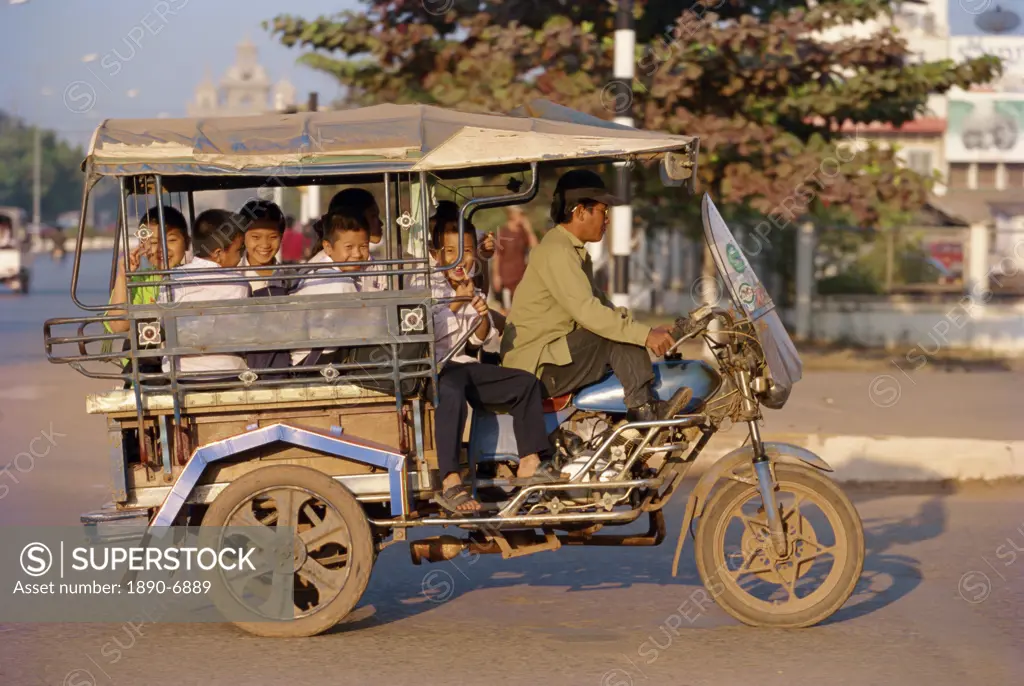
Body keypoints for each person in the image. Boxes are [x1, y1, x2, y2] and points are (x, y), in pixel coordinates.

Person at [500, 169, 691, 422]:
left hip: (554, 357)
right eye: (603, 211)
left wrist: (650, 330)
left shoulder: (573, 251)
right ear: (580, 212)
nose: (607, 220)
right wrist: (643, 335)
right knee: (611, 335)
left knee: (619, 330)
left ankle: (621, 431)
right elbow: (590, 313)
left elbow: (604, 307)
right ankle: (643, 410)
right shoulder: (557, 251)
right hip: (537, 368)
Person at [428, 214, 558, 513]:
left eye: (468, 251)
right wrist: (458, 301)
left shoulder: (474, 287)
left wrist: (482, 315)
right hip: (434, 368)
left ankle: (529, 461)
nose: (460, 259)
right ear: (437, 256)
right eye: (451, 252)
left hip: (463, 365)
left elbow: (477, 342)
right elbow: (428, 334)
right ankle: (449, 480)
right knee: (450, 389)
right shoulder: (431, 288)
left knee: (524, 383)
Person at [164, 209, 249, 378]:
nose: (241, 257)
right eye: (239, 250)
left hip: (177, 372)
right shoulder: (238, 284)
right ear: (218, 254)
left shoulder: (170, 279)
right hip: (226, 371)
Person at [290, 208, 369, 367]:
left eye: (363, 246)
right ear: (328, 247)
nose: (358, 254)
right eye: (349, 247)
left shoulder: (318, 270)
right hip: (317, 360)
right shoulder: (339, 281)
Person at [492, 205, 538, 313]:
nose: (522, 217)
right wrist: (496, 275)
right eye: (520, 215)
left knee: (521, 306)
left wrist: (529, 229)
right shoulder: (503, 232)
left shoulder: (523, 232)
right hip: (506, 275)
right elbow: (497, 256)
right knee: (506, 308)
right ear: (512, 215)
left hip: (520, 274)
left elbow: (536, 247)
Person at [238, 199, 289, 293]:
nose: (265, 245)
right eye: (256, 237)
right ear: (241, 237)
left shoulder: (290, 278)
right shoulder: (233, 276)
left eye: (273, 237)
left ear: (281, 237)